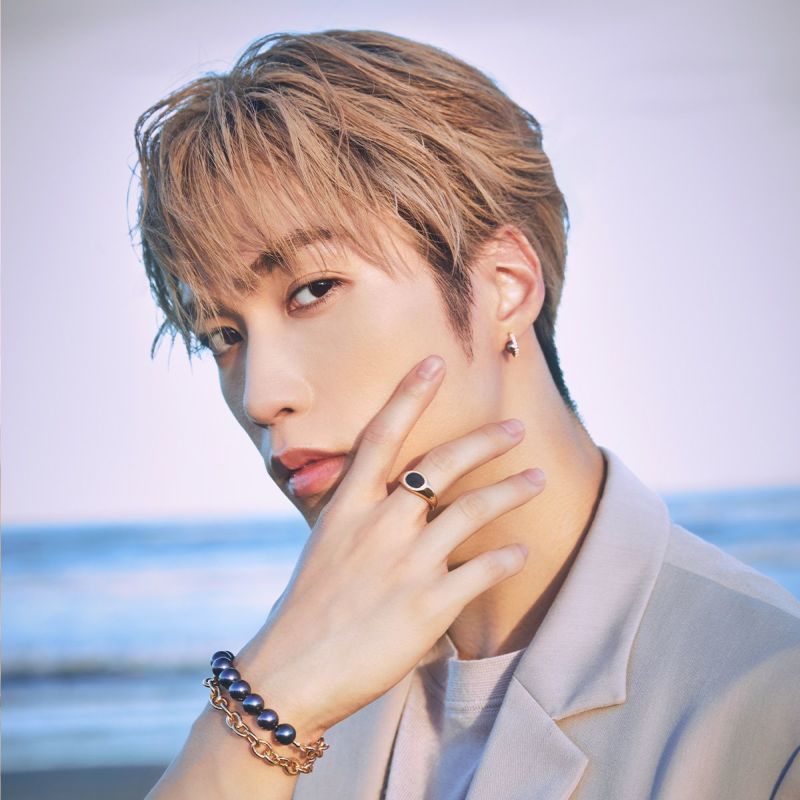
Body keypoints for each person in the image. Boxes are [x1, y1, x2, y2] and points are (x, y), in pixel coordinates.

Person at [133, 29, 800, 800]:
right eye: (223, 336)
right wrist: (261, 710)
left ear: (504, 286)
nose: (259, 395)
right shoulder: (297, 676)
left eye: (312, 291)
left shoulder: (768, 704)